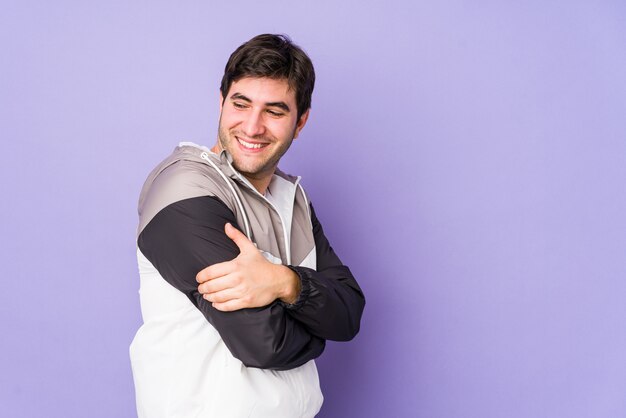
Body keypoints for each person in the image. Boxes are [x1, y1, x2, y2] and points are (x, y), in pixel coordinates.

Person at [130, 34, 365, 418]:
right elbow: (264, 342)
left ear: (300, 121)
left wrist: (284, 282)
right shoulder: (183, 189)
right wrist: (319, 326)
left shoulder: (293, 199)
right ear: (221, 102)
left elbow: (349, 311)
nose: (253, 127)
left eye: (274, 111)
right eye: (241, 104)